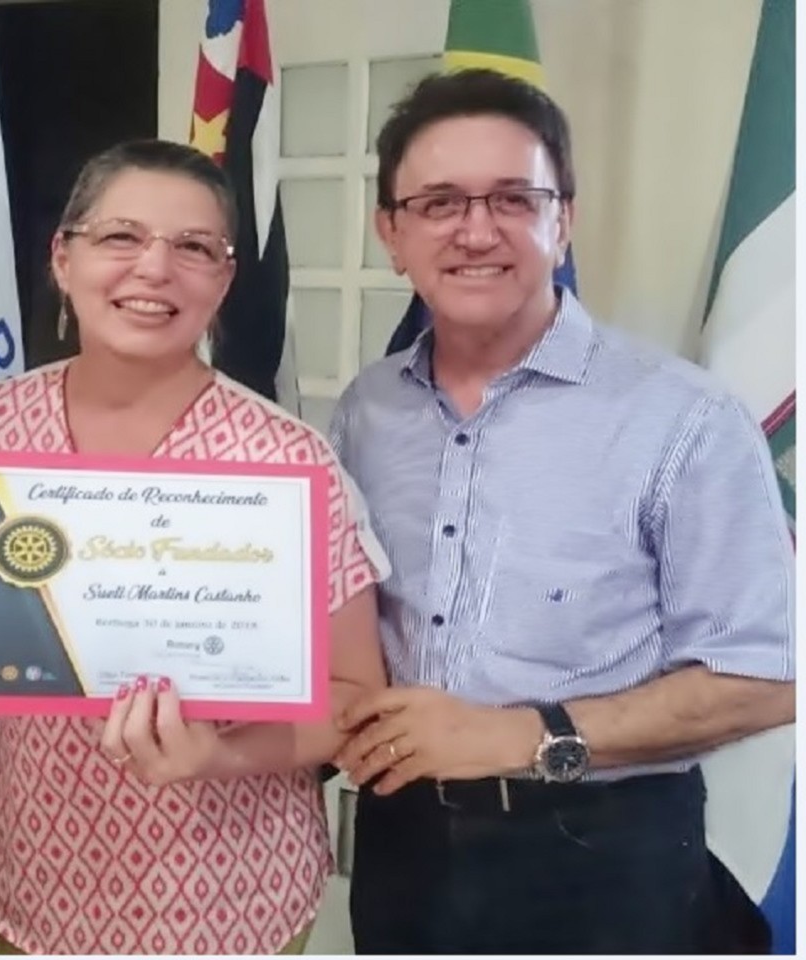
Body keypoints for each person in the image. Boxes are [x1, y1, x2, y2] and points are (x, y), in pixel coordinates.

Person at [329, 68, 796, 954]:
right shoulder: (366, 410)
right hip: (402, 843)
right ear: (391, 232)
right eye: (438, 202)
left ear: (563, 220)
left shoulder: (682, 418)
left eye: (514, 198)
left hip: (605, 853)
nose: (477, 230)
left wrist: (522, 736)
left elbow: (770, 679)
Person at [0, 138, 389, 955]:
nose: (155, 268)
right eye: (120, 236)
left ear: (224, 280)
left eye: (194, 248)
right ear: (63, 258)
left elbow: (354, 699)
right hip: (32, 864)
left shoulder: (285, 461)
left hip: (226, 886)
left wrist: (220, 753)